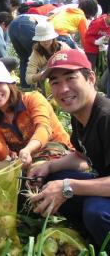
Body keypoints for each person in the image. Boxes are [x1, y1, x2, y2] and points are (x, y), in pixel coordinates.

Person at [28, 49, 110, 253]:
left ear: (90, 78)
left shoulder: (106, 118)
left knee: (96, 212)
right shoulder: (80, 114)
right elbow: (83, 156)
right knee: (53, 178)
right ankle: (92, 235)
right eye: (55, 82)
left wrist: (68, 186)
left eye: (70, 78)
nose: (63, 89)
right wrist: (48, 166)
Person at [0, 60, 72, 170]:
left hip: (57, 152)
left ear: (9, 84)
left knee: (35, 169)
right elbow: (1, 155)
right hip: (26, 159)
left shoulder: (32, 99)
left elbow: (43, 128)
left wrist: (28, 149)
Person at [8, 10, 48, 88]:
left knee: (24, 59)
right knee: (39, 56)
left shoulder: (44, 17)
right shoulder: (54, 22)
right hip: (26, 24)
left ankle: (26, 88)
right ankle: (42, 89)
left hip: (13, 25)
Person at [25, 21, 70, 87]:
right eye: (42, 40)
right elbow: (28, 79)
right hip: (48, 84)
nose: (45, 42)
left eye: (48, 39)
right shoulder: (36, 54)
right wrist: (45, 73)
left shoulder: (63, 47)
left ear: (53, 38)